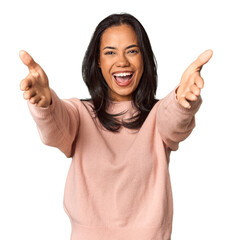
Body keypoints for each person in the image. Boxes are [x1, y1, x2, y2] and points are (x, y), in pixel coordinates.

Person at [19, 13, 213, 240]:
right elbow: (56, 127)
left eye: (132, 51)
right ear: (98, 61)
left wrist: (182, 101)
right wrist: (46, 103)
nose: (122, 61)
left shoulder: (158, 115)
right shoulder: (80, 114)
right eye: (110, 52)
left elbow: (174, 122)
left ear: (144, 58)